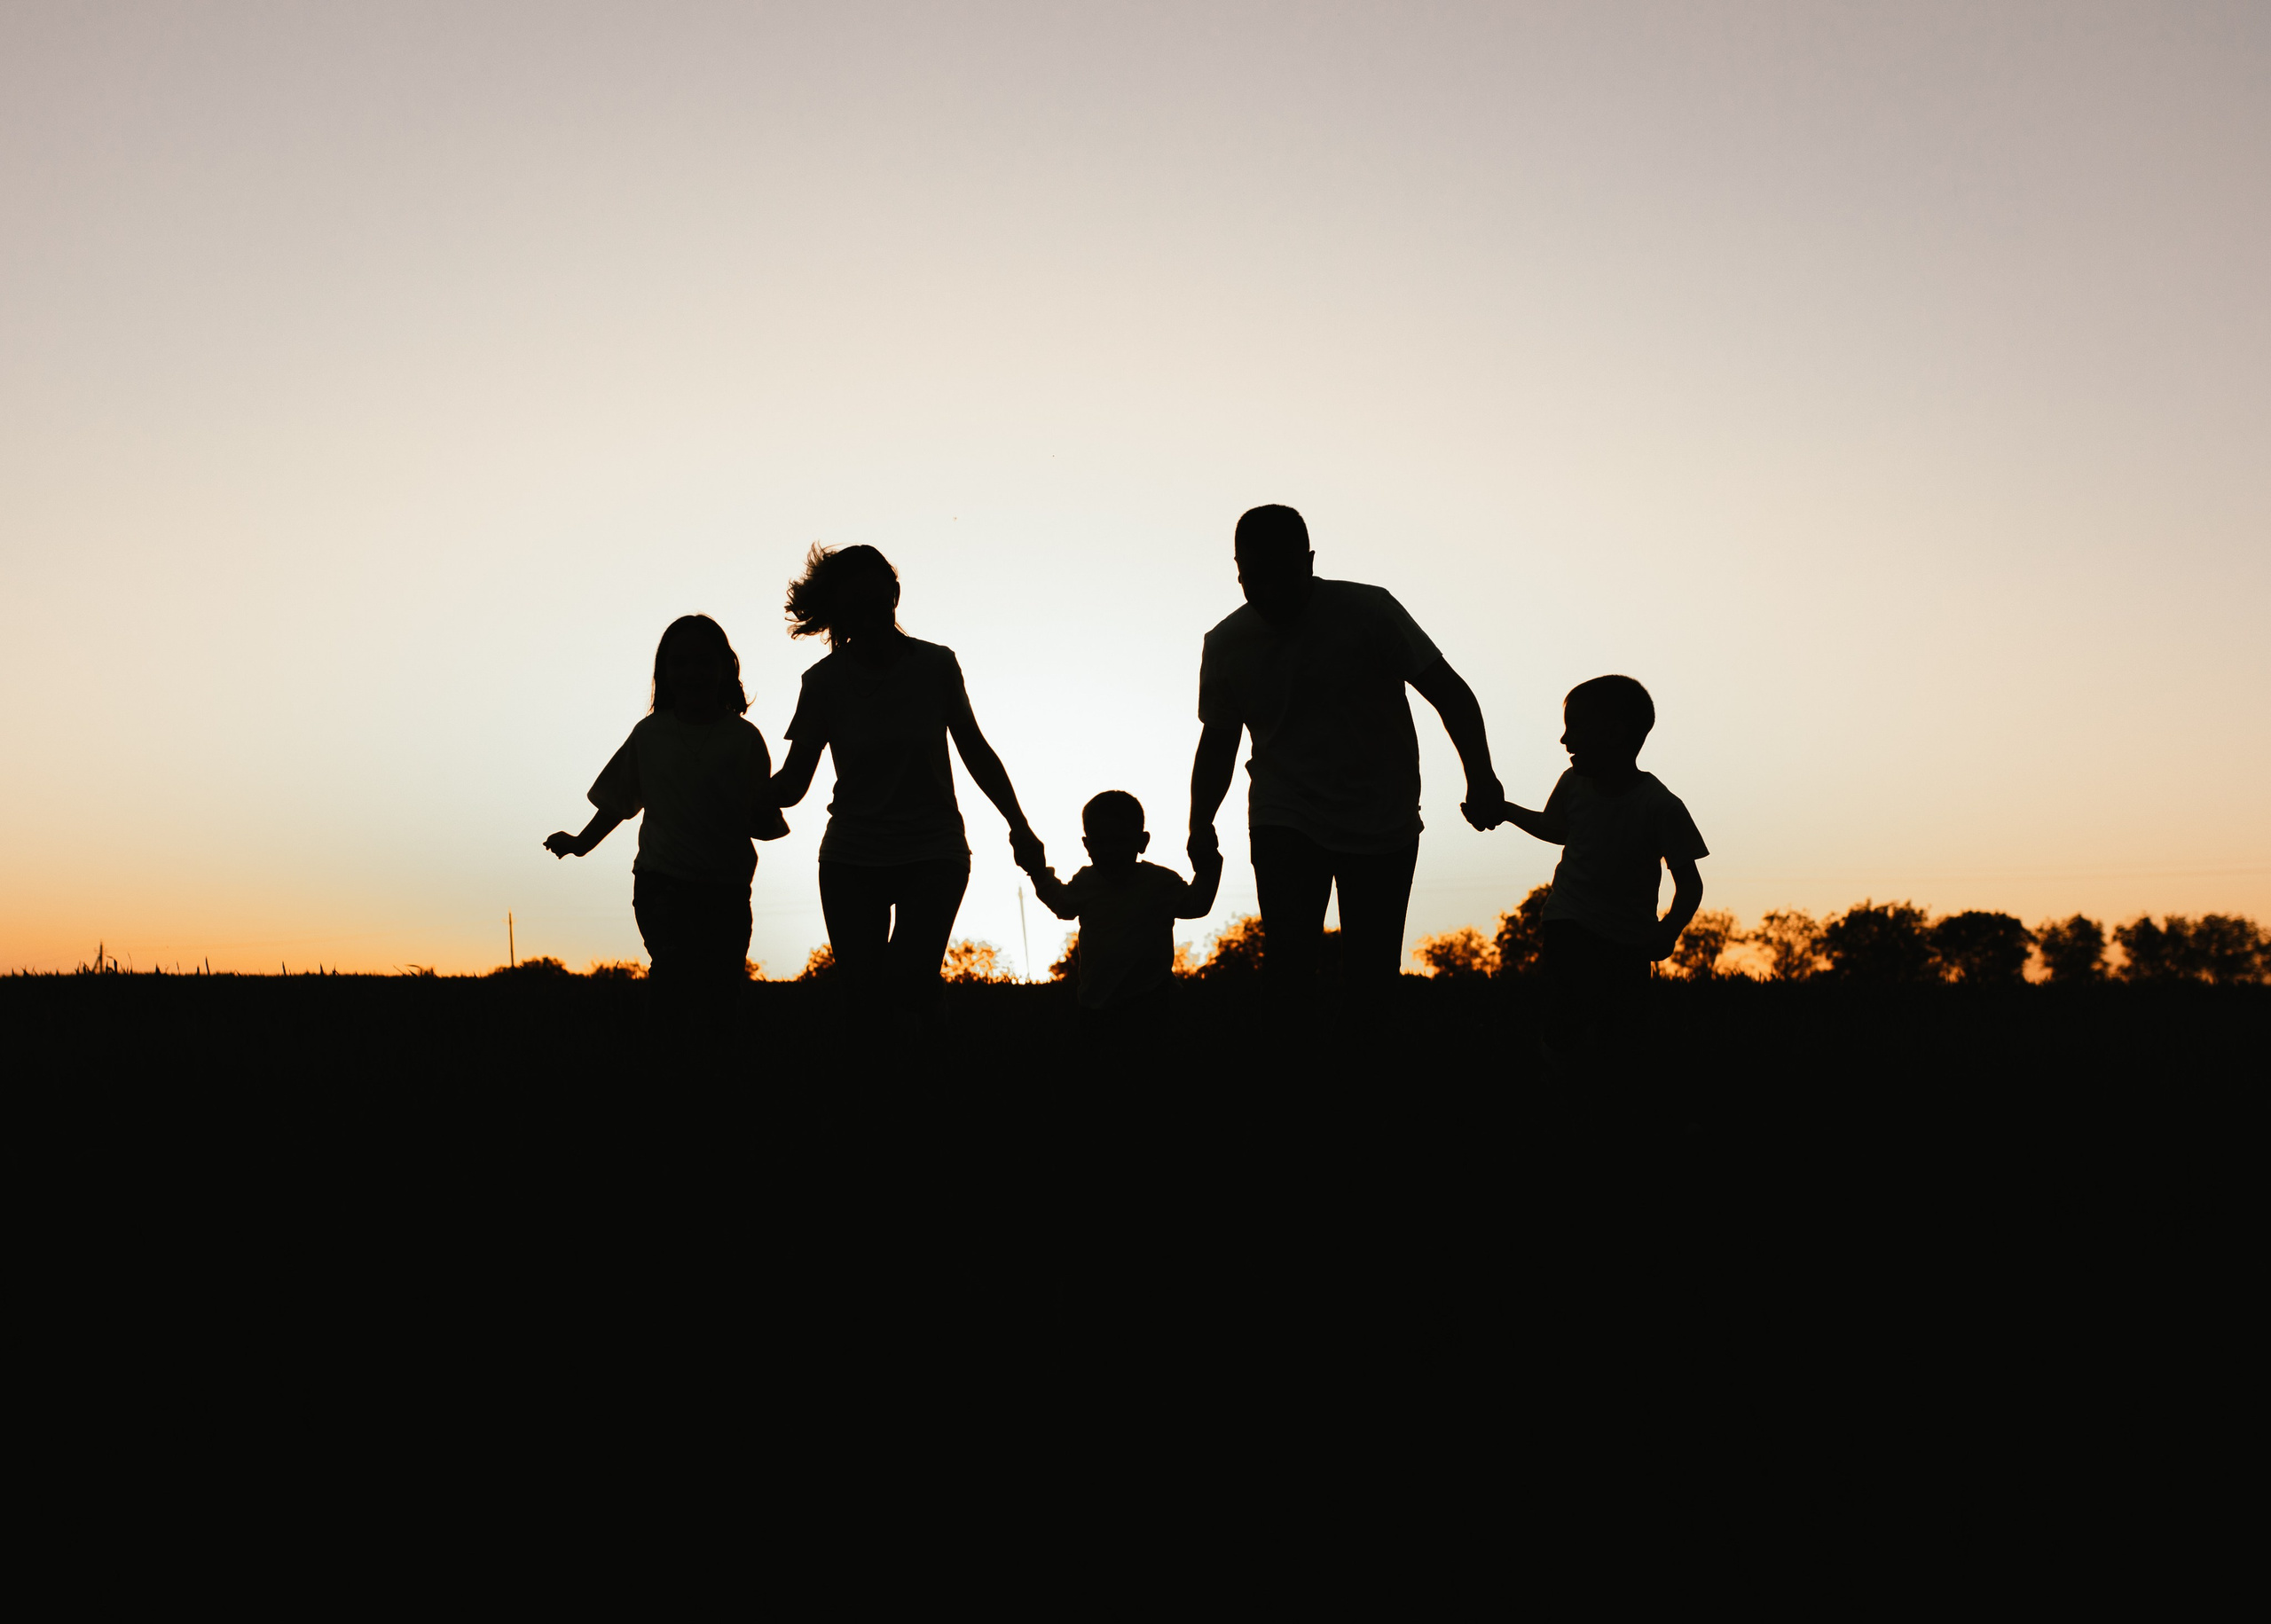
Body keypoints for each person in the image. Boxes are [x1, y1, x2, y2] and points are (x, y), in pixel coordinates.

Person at [1187, 504, 1503, 1028]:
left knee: (1371, 978)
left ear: (1310, 562)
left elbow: (1449, 692)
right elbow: (1219, 741)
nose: (1270, 592)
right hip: (1283, 816)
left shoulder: (1368, 611)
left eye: (1284, 576)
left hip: (1382, 818)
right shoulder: (1226, 644)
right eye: (1255, 579)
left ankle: (1362, 1070)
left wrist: (1482, 776)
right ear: (1237, 570)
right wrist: (1200, 822)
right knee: (1288, 968)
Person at [768, 544, 1045, 1031]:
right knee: (863, 1002)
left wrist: (1019, 825)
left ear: (895, 595)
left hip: (934, 849)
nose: (869, 615)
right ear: (838, 611)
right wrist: (732, 793)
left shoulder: (936, 666)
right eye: (855, 605)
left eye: (877, 600)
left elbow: (974, 749)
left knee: (908, 979)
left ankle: (928, 1027)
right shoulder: (823, 682)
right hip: (851, 856)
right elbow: (793, 784)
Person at [544, 614, 789, 1029]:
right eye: (680, 663)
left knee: (720, 988)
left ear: (725, 668)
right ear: (664, 673)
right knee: (673, 974)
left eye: (704, 662)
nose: (692, 673)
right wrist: (580, 843)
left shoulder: (743, 738)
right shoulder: (649, 735)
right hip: (662, 882)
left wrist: (764, 818)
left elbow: (759, 815)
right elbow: (618, 801)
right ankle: (665, 1058)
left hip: (726, 887)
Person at [1477, 674, 1708, 1075]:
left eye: (1575, 728)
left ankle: (1591, 1086)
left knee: (1621, 1032)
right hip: (1567, 921)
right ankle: (1557, 1069)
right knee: (1572, 1005)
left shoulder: (1660, 807)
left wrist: (1669, 930)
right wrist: (1506, 811)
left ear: (1615, 734)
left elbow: (1690, 884)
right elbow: (1555, 828)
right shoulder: (1573, 784)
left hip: (1630, 939)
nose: (1564, 740)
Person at [1023, 790, 1222, 1043]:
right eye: (1100, 843)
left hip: (1152, 1003)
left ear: (1142, 842)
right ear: (1087, 846)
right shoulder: (1086, 882)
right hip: (1096, 1007)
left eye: (1119, 841)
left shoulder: (1160, 883)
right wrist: (1038, 873)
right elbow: (1062, 904)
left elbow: (1196, 905)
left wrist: (1209, 865)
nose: (1110, 852)